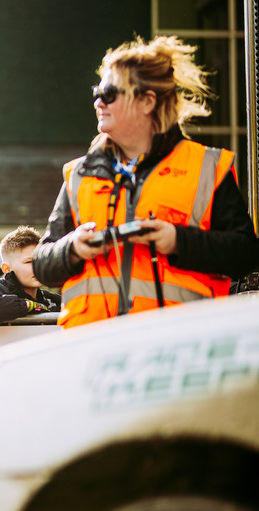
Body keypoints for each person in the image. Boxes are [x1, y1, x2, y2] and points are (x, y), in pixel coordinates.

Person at [33, 36, 259, 328]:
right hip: (92, 349)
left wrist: (178, 240)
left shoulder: (204, 166)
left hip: (174, 348)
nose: (98, 101)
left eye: (110, 92)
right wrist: (73, 247)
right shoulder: (79, 174)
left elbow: (246, 253)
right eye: (97, 92)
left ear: (147, 101)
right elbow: (41, 263)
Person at [0, 226, 61, 330]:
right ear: (6, 269)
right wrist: (28, 306)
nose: (38, 266)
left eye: (40, 259)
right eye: (29, 262)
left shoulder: (52, 300)